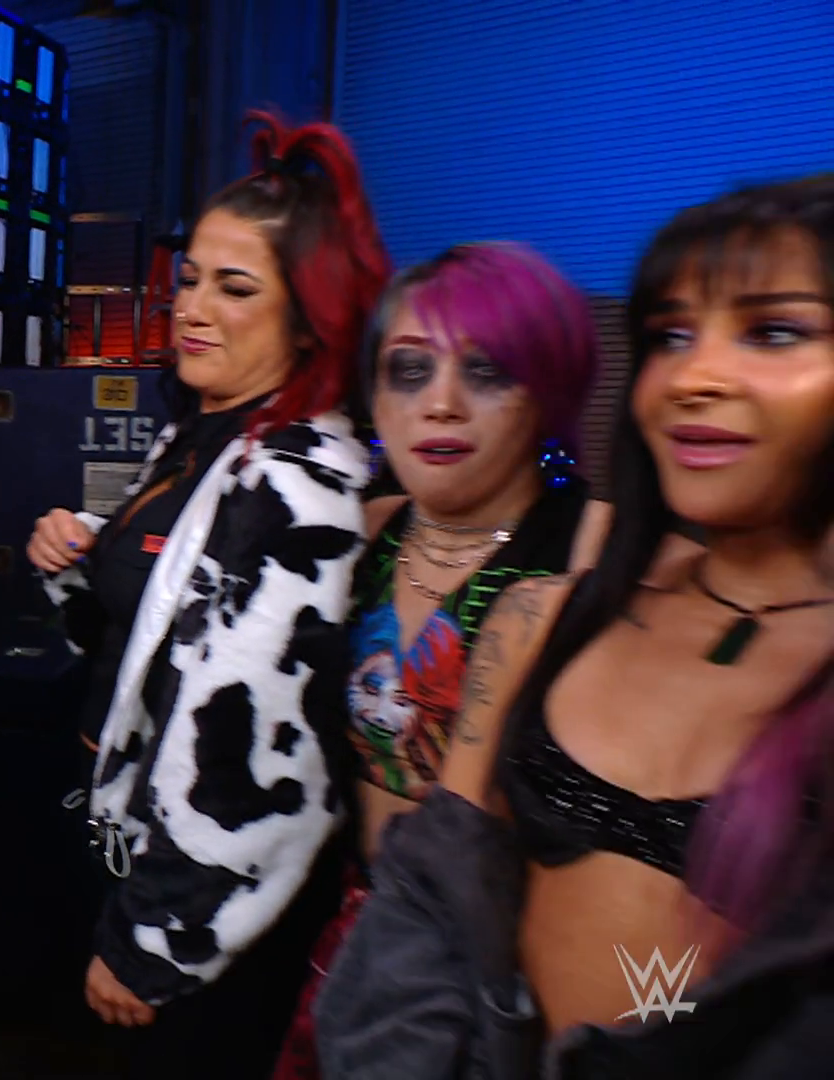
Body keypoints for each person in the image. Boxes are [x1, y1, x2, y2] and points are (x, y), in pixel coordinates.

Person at [314, 174, 834, 1077]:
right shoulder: (387, 547)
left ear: (550, 386)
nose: (696, 377)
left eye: (774, 331)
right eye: (672, 337)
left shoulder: (579, 552)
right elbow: (440, 880)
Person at [25, 110, 390, 1078]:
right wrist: (76, 564)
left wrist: (156, 938)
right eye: (190, 279)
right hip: (123, 837)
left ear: (308, 318)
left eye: (235, 288)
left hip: (192, 906)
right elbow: (149, 641)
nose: (192, 307)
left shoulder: (297, 481)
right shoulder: (203, 435)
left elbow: (256, 757)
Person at [270, 242, 609, 1078]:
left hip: (503, 957)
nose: (441, 404)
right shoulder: (358, 531)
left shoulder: (596, 550)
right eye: (410, 370)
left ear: (549, 389)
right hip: (344, 931)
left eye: (486, 372)